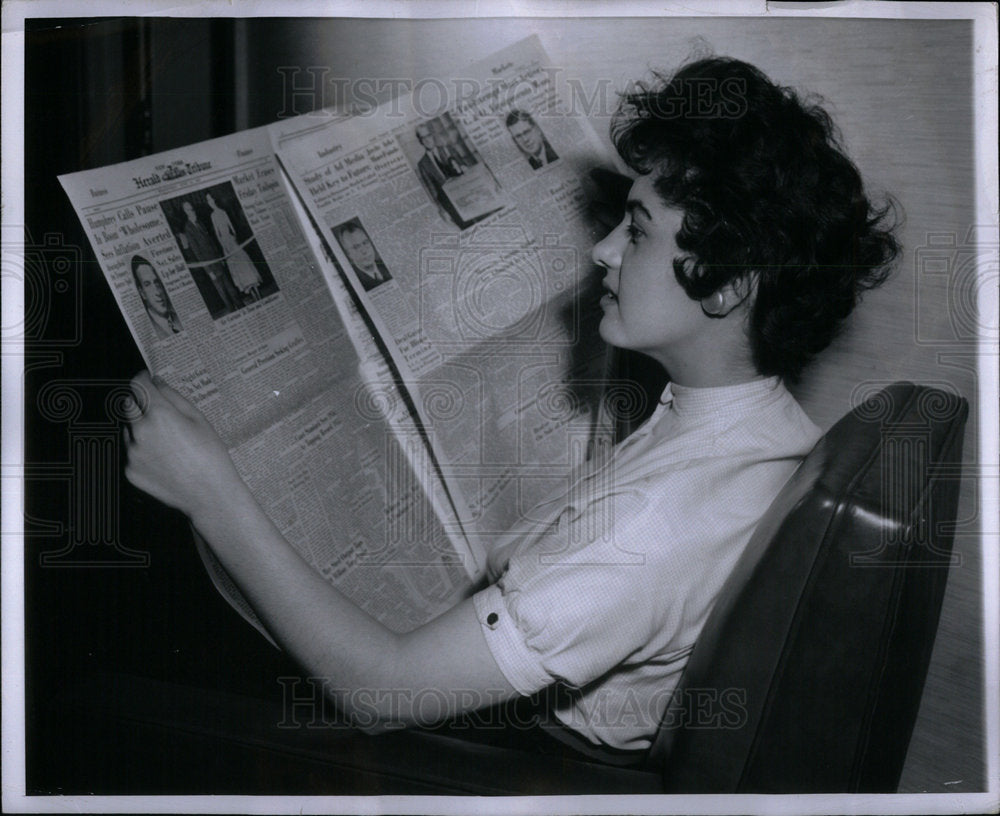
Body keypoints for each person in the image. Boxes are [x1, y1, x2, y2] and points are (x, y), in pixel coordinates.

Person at [123, 57, 898, 757]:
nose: (604, 252)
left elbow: (378, 693)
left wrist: (210, 493)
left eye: (637, 232)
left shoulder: (654, 528)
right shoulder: (754, 432)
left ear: (727, 285)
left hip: (519, 759)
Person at [178, 200, 243, 314]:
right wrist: (209, 271)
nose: (192, 210)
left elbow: (212, 242)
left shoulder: (200, 223)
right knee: (222, 291)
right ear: (185, 212)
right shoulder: (188, 229)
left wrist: (220, 258)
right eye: (189, 209)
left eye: (192, 208)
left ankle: (240, 307)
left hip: (217, 260)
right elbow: (197, 253)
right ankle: (232, 311)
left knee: (231, 288)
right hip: (210, 266)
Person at [207, 192, 263, 302]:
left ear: (214, 200)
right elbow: (218, 234)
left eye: (211, 199)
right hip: (225, 243)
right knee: (237, 268)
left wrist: (234, 237)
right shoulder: (213, 216)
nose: (210, 202)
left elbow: (231, 227)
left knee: (245, 264)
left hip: (232, 241)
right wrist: (224, 246)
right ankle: (252, 293)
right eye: (208, 201)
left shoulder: (223, 212)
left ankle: (257, 292)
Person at [131, 254, 182, 339]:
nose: (158, 292)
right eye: (148, 284)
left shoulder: (178, 316)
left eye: (156, 282)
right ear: (142, 293)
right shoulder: (145, 331)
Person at [334, 221, 392, 292]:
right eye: (356, 247)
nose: (364, 251)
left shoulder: (386, 264)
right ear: (348, 254)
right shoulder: (352, 281)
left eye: (365, 242)